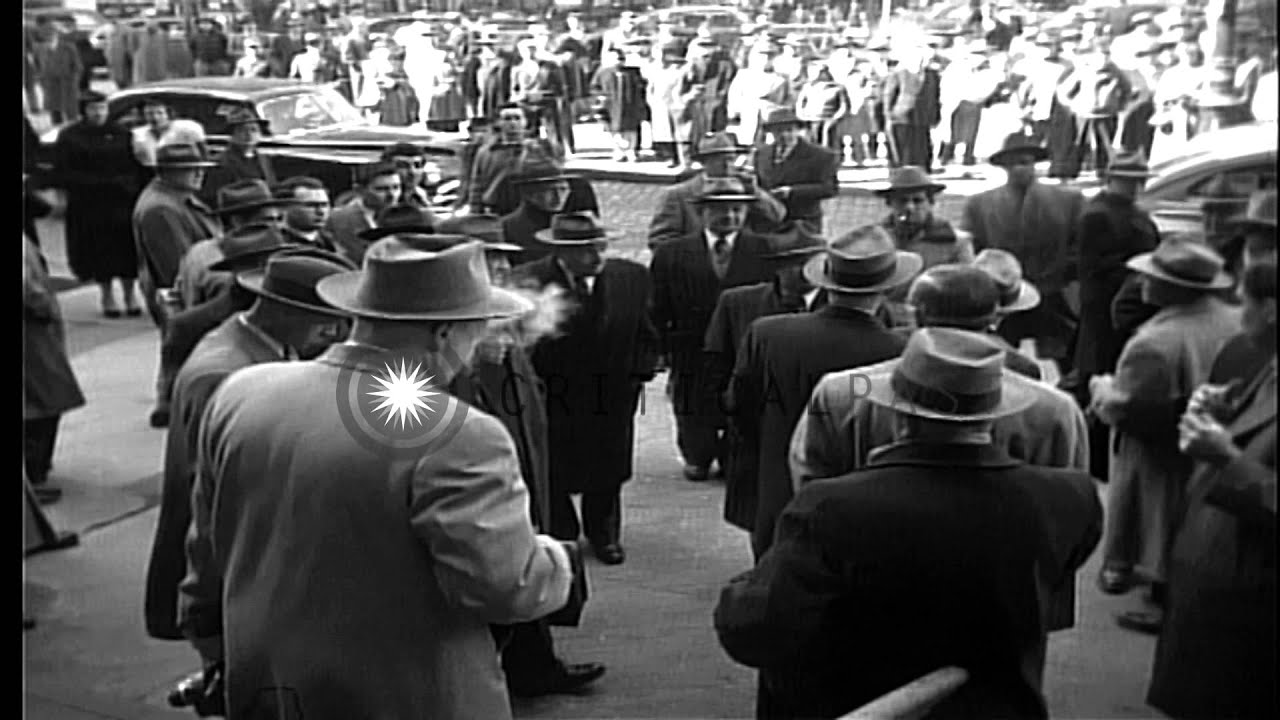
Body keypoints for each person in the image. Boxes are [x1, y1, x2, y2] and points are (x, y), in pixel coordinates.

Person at [178, 239, 577, 718]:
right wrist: (556, 559)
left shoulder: (244, 390)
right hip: (402, 697)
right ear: (444, 334)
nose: (476, 352)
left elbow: (205, 553)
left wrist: (214, 647)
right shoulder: (461, 435)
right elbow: (505, 587)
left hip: (267, 684)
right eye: (477, 332)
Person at [716, 327, 1103, 720]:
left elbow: (756, 627)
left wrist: (739, 593)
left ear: (899, 415)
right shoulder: (1069, 497)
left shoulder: (835, 508)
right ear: (993, 413)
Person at [433, 215, 606, 699]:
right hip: (483, 480)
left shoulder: (504, 329)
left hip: (524, 469)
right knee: (498, 576)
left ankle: (536, 665)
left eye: (505, 259)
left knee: (527, 557)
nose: (504, 269)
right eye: (492, 260)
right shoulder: (448, 344)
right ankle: (507, 672)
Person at [145, 249, 353, 643]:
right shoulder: (225, 373)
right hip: (227, 567)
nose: (335, 334)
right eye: (326, 321)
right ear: (281, 310)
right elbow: (221, 495)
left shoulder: (256, 346)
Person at [733, 226, 919, 559]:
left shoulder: (768, 335)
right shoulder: (898, 353)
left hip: (779, 492)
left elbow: (739, 407)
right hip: (867, 508)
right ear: (887, 288)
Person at [1090, 236, 1242, 634]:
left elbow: (1128, 406)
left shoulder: (1156, 342)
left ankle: (1166, 600)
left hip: (1161, 445)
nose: (1142, 282)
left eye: (1151, 276)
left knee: (1160, 519)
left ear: (1177, 288)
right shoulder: (1234, 318)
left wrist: (1100, 389)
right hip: (1219, 435)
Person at [1147, 260, 1276, 720]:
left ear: (1271, 310)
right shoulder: (1265, 362)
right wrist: (1222, 416)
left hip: (1253, 602)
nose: (1237, 314)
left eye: (1244, 302)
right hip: (1218, 580)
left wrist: (1225, 454)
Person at [513, 212, 658, 565]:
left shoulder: (631, 277)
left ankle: (604, 532)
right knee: (556, 467)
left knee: (609, 468)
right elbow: (520, 345)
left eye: (599, 246)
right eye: (583, 250)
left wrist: (640, 371)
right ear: (561, 252)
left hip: (613, 396)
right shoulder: (529, 281)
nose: (596, 256)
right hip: (556, 397)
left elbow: (646, 330)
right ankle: (562, 532)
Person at [651, 176, 774, 483]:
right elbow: (656, 304)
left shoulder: (763, 250)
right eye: (721, 210)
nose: (730, 216)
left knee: (741, 402)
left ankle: (734, 456)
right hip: (691, 346)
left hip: (743, 345)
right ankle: (697, 455)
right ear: (702, 213)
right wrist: (660, 347)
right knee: (691, 403)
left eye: (737, 210)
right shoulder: (672, 253)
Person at [706, 228, 825, 536]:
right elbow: (716, 363)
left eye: (809, 261)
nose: (801, 271)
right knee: (761, 519)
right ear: (775, 266)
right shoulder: (738, 303)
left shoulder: (843, 309)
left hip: (819, 430)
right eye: (791, 262)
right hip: (759, 432)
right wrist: (728, 410)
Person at [961, 133, 1085, 373]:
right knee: (992, 358)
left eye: (1026, 162)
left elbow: (1081, 244)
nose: (1020, 169)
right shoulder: (980, 205)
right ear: (1004, 167)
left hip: (1054, 294)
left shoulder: (1068, 201)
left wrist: (1063, 271)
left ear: (1035, 164)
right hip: (1003, 296)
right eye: (1013, 163)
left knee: (1070, 357)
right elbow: (970, 249)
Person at [1073, 151, 1161, 478]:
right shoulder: (1097, 215)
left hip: (1130, 312)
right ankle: (1095, 461)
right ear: (1111, 179)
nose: (1135, 187)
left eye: (1138, 181)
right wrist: (1138, 273)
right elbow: (1094, 269)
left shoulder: (1133, 212)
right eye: (1129, 181)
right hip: (1106, 315)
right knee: (1099, 378)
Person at [133, 143, 223, 428]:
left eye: (200, 169)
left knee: (178, 349)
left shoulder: (175, 199)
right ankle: (173, 404)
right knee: (182, 348)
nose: (198, 174)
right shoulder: (161, 208)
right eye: (189, 170)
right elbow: (177, 264)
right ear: (167, 173)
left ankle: (171, 402)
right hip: (181, 293)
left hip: (183, 291)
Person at [53, 90, 144, 318]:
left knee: (127, 250)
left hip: (122, 200)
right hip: (90, 203)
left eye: (102, 108)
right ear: (84, 111)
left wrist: (129, 185)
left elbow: (134, 164)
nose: (99, 113)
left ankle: (130, 295)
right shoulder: (71, 136)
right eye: (93, 109)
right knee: (100, 252)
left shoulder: (122, 133)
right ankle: (107, 296)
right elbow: (64, 171)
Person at [24, 237, 86, 506]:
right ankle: (33, 475)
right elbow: (27, 286)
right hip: (30, 332)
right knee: (42, 400)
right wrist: (44, 307)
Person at [646, 132, 786, 249]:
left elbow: (778, 216)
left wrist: (756, 192)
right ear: (704, 162)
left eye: (731, 159)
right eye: (718, 159)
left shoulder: (744, 189)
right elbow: (660, 240)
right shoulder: (678, 195)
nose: (726, 165)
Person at [875, 166, 972, 329]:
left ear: (931, 203)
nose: (910, 208)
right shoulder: (875, 240)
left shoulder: (955, 243)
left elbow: (964, 295)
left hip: (935, 325)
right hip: (884, 325)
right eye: (902, 201)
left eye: (918, 200)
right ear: (889, 203)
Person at [176, 180, 294, 311]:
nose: (277, 227)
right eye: (267, 220)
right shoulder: (203, 257)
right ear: (237, 221)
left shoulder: (282, 248)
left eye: (279, 219)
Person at [753, 107, 839, 237]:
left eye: (789, 130)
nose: (784, 135)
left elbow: (830, 188)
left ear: (798, 130)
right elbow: (759, 184)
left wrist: (791, 191)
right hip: (770, 224)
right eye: (778, 131)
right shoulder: (761, 154)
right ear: (771, 132)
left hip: (803, 223)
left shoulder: (820, 155)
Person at [498, 155, 577, 264]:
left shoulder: (574, 227)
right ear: (529, 193)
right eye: (549, 191)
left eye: (563, 189)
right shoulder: (505, 228)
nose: (559, 197)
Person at [323, 161, 403, 265]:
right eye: (381, 189)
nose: (392, 195)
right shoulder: (337, 219)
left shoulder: (407, 217)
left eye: (396, 188)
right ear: (359, 190)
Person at [199, 109, 276, 207]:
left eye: (253, 130)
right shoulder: (221, 162)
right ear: (232, 135)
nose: (249, 135)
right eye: (242, 130)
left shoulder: (264, 159)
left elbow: (272, 187)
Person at [882, 45, 940, 170]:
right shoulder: (898, 74)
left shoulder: (932, 75)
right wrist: (889, 115)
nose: (919, 61)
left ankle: (922, 171)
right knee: (903, 148)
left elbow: (935, 96)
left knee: (922, 147)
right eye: (915, 58)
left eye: (921, 58)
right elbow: (889, 95)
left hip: (923, 117)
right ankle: (902, 171)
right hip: (902, 117)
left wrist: (936, 115)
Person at [590, 47, 647, 163]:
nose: (618, 61)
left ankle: (631, 150)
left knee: (631, 129)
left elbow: (641, 87)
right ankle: (619, 151)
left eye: (620, 59)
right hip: (612, 106)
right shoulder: (603, 72)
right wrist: (601, 98)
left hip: (630, 104)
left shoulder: (632, 72)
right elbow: (595, 88)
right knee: (615, 129)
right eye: (615, 59)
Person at [131, 100, 207, 170]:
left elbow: (203, 155)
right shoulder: (138, 134)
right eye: (150, 114)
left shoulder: (188, 128)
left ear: (168, 114)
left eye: (160, 113)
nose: (155, 117)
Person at [795, 63, 852, 154]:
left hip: (829, 118)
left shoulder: (838, 88)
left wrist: (835, 118)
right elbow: (800, 103)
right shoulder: (808, 87)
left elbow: (844, 106)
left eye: (822, 72)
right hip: (811, 118)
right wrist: (801, 115)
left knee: (827, 140)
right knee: (811, 141)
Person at [34, 23, 83, 125]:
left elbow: (78, 67)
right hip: (50, 86)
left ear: (57, 34)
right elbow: (37, 66)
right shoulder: (40, 49)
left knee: (72, 116)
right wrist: (41, 79)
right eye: (46, 34)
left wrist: (74, 81)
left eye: (51, 33)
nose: (49, 36)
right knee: (55, 116)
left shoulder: (68, 47)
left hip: (67, 85)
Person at [276, 176, 336, 251]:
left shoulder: (333, 243)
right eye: (311, 205)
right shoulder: (273, 243)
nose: (321, 211)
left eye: (324, 205)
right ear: (285, 207)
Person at [381, 142, 435, 208]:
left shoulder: (424, 198)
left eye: (417, 165)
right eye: (403, 166)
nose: (412, 172)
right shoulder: (375, 199)